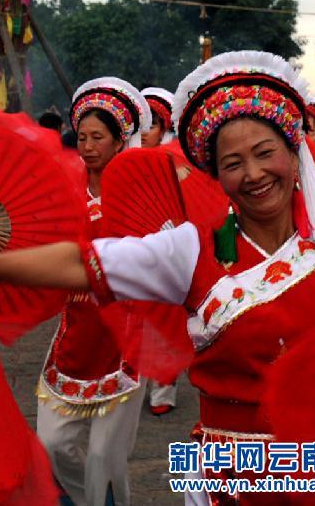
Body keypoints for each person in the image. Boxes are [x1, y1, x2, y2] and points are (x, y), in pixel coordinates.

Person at [0, 51, 315, 506]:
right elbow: (84, 264)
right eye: (233, 163)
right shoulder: (190, 248)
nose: (254, 173)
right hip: (229, 475)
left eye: (265, 153)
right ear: (216, 175)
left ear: (294, 156)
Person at [36, 77, 150, 506]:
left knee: (105, 456)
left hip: (127, 336)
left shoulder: (142, 194)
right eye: (81, 136)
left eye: (97, 137)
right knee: (51, 444)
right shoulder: (65, 190)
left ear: (121, 140)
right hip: (75, 334)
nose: (86, 146)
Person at [139, 88, 179, 416]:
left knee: (166, 317)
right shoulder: (122, 159)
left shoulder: (176, 160)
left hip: (169, 241)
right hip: (133, 243)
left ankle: (163, 385)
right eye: (140, 125)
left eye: (151, 125)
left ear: (164, 127)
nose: (144, 132)